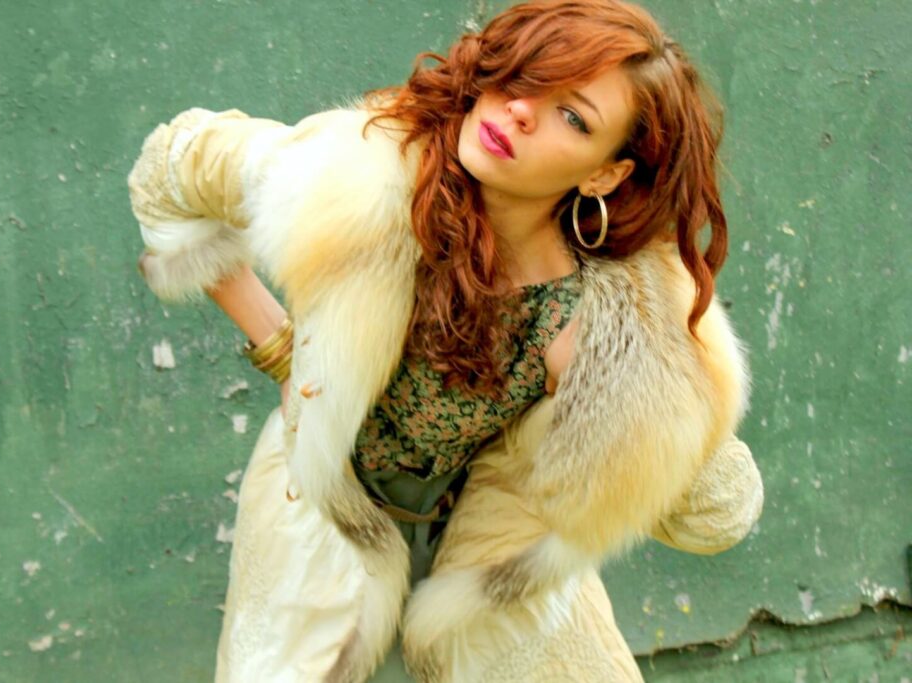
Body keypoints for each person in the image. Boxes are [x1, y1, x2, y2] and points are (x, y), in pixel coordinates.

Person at [127, 1, 763, 680]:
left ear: (604, 174)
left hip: (485, 561)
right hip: (317, 516)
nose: (521, 111)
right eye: (524, 76)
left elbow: (718, 515)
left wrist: (633, 400)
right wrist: (283, 353)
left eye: (573, 117)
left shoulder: (594, 322)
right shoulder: (351, 178)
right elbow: (169, 169)